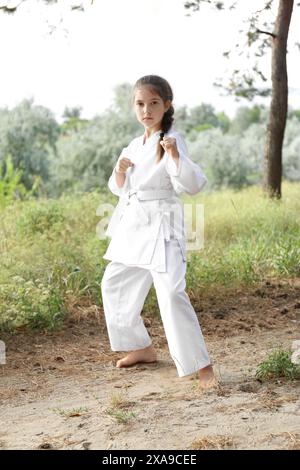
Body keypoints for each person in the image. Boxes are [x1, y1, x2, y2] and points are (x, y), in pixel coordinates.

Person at [100, 75, 217, 389]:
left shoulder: (172, 139)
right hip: (134, 223)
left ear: (166, 105)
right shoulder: (133, 145)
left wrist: (175, 156)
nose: (146, 110)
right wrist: (120, 172)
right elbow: (119, 188)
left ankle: (201, 366)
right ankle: (140, 347)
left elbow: (191, 185)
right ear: (133, 107)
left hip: (163, 223)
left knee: (170, 292)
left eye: (153, 103)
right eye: (140, 104)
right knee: (114, 283)